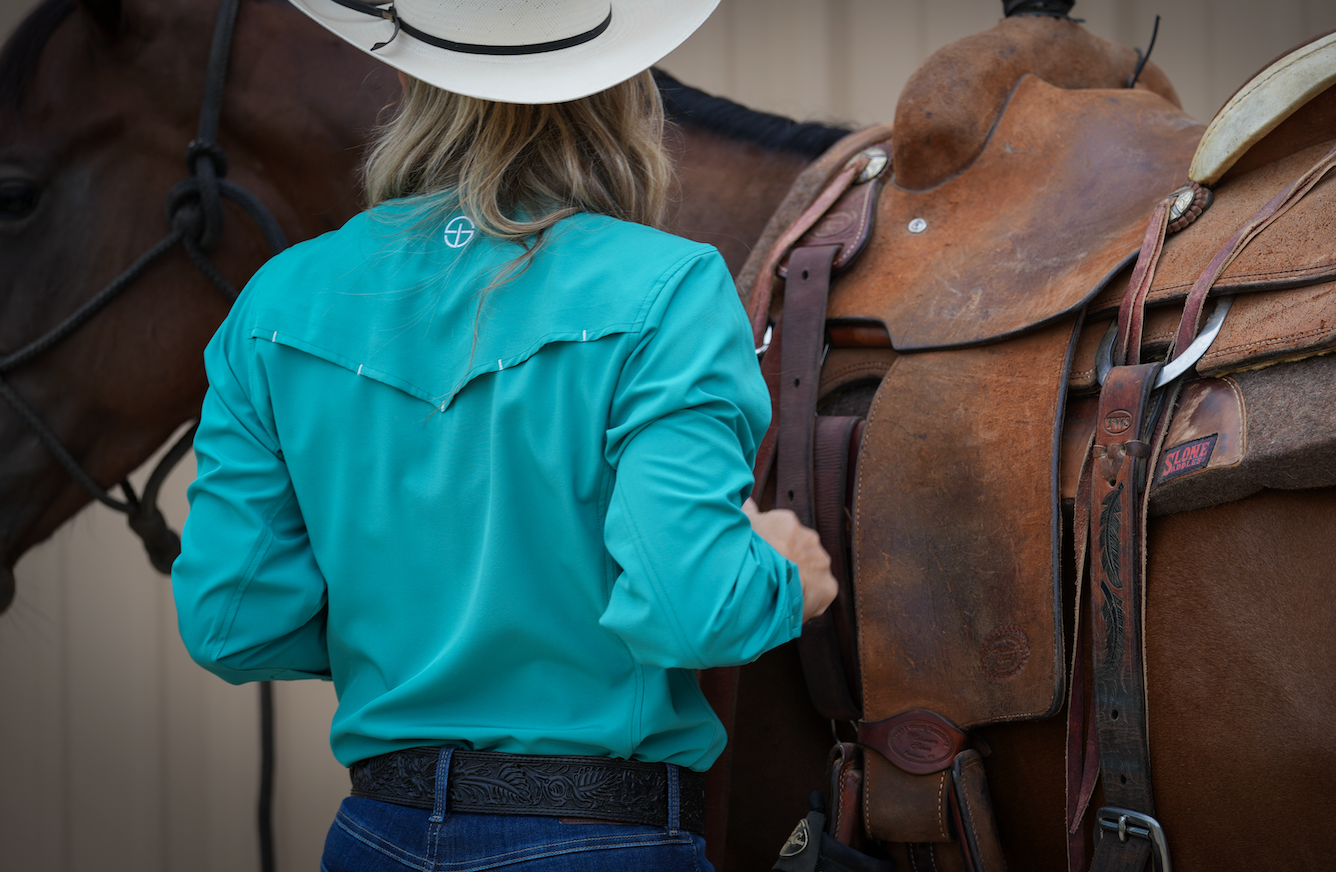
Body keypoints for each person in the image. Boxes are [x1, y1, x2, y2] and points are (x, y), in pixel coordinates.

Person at [169, 1, 837, 869]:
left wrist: (410, 622)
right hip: (599, 841)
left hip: (375, 835)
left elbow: (230, 621)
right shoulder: (667, 289)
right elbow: (691, 607)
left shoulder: (277, 302)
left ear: (410, 77)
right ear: (627, 89)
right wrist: (786, 574)